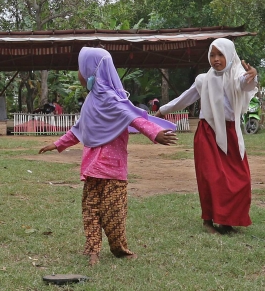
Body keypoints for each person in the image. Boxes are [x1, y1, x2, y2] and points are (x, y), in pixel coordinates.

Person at [39, 47, 177, 266]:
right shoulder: (90, 102)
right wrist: (56, 144)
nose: (78, 73)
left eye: (80, 68)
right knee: (90, 211)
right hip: (92, 169)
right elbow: (78, 130)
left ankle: (119, 249)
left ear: (91, 70)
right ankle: (92, 249)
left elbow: (133, 118)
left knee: (113, 214)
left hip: (113, 171)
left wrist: (155, 133)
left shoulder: (113, 99)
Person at [155, 38, 258, 234]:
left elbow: (245, 85)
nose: (216, 59)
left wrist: (252, 76)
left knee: (240, 179)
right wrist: (162, 110)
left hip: (231, 134)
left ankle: (228, 221)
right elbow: (184, 98)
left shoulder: (238, 76)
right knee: (212, 178)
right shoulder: (203, 79)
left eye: (220, 55)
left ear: (229, 55)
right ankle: (208, 220)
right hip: (208, 133)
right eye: (212, 55)